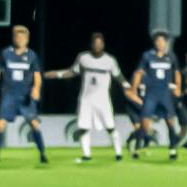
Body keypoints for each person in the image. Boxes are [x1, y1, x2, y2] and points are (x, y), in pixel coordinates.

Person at [48, 33, 128, 162]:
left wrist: (127, 85)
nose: (97, 46)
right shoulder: (83, 58)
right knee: (83, 127)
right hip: (86, 99)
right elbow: (72, 72)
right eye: (95, 43)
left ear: (103, 45)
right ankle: (86, 155)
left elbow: (118, 75)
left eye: (99, 43)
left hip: (103, 100)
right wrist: (57, 74)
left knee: (110, 126)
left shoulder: (110, 60)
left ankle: (118, 153)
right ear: (91, 44)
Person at [0, 24, 48, 165]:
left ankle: (42, 154)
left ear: (27, 40)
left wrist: (36, 89)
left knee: (34, 123)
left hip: (26, 97)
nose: (19, 39)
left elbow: (37, 75)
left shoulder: (31, 55)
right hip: (9, 96)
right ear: (13, 38)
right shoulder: (6, 53)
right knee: (0, 125)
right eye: (17, 37)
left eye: (22, 37)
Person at [130, 31, 183, 159]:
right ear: (154, 43)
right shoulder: (147, 56)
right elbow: (139, 72)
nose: (160, 43)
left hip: (165, 93)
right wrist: (134, 89)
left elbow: (177, 72)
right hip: (151, 94)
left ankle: (173, 150)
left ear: (166, 43)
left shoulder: (171, 56)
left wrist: (178, 87)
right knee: (145, 122)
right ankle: (137, 148)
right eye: (157, 41)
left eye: (162, 41)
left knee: (170, 121)